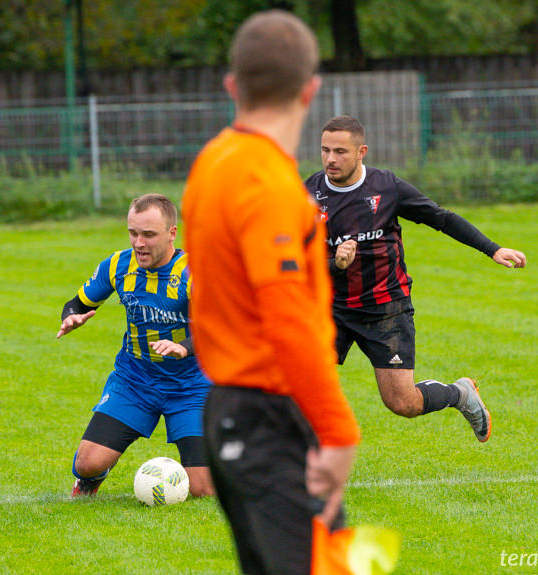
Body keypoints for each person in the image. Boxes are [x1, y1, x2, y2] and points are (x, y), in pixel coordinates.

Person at [182, 11, 363, 575]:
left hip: (231, 410)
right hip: (268, 417)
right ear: (311, 90)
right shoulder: (268, 182)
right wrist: (337, 431)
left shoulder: (212, 162)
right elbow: (286, 317)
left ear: (232, 85)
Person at [305, 115, 527, 443]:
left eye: (340, 151)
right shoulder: (308, 194)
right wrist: (335, 264)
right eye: (325, 150)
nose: (331, 159)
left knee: (402, 402)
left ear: (361, 151)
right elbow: (297, 262)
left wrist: (491, 249)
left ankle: (460, 394)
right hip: (330, 307)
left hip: (386, 309)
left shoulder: (386, 188)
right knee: (296, 382)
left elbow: (440, 218)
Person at [57, 193, 214, 498]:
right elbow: (76, 302)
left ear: (172, 233)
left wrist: (185, 347)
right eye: (133, 233)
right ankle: (89, 482)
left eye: (148, 235)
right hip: (135, 381)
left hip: (191, 387)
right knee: (87, 463)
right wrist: (72, 317)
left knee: (203, 490)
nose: (139, 243)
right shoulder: (117, 265)